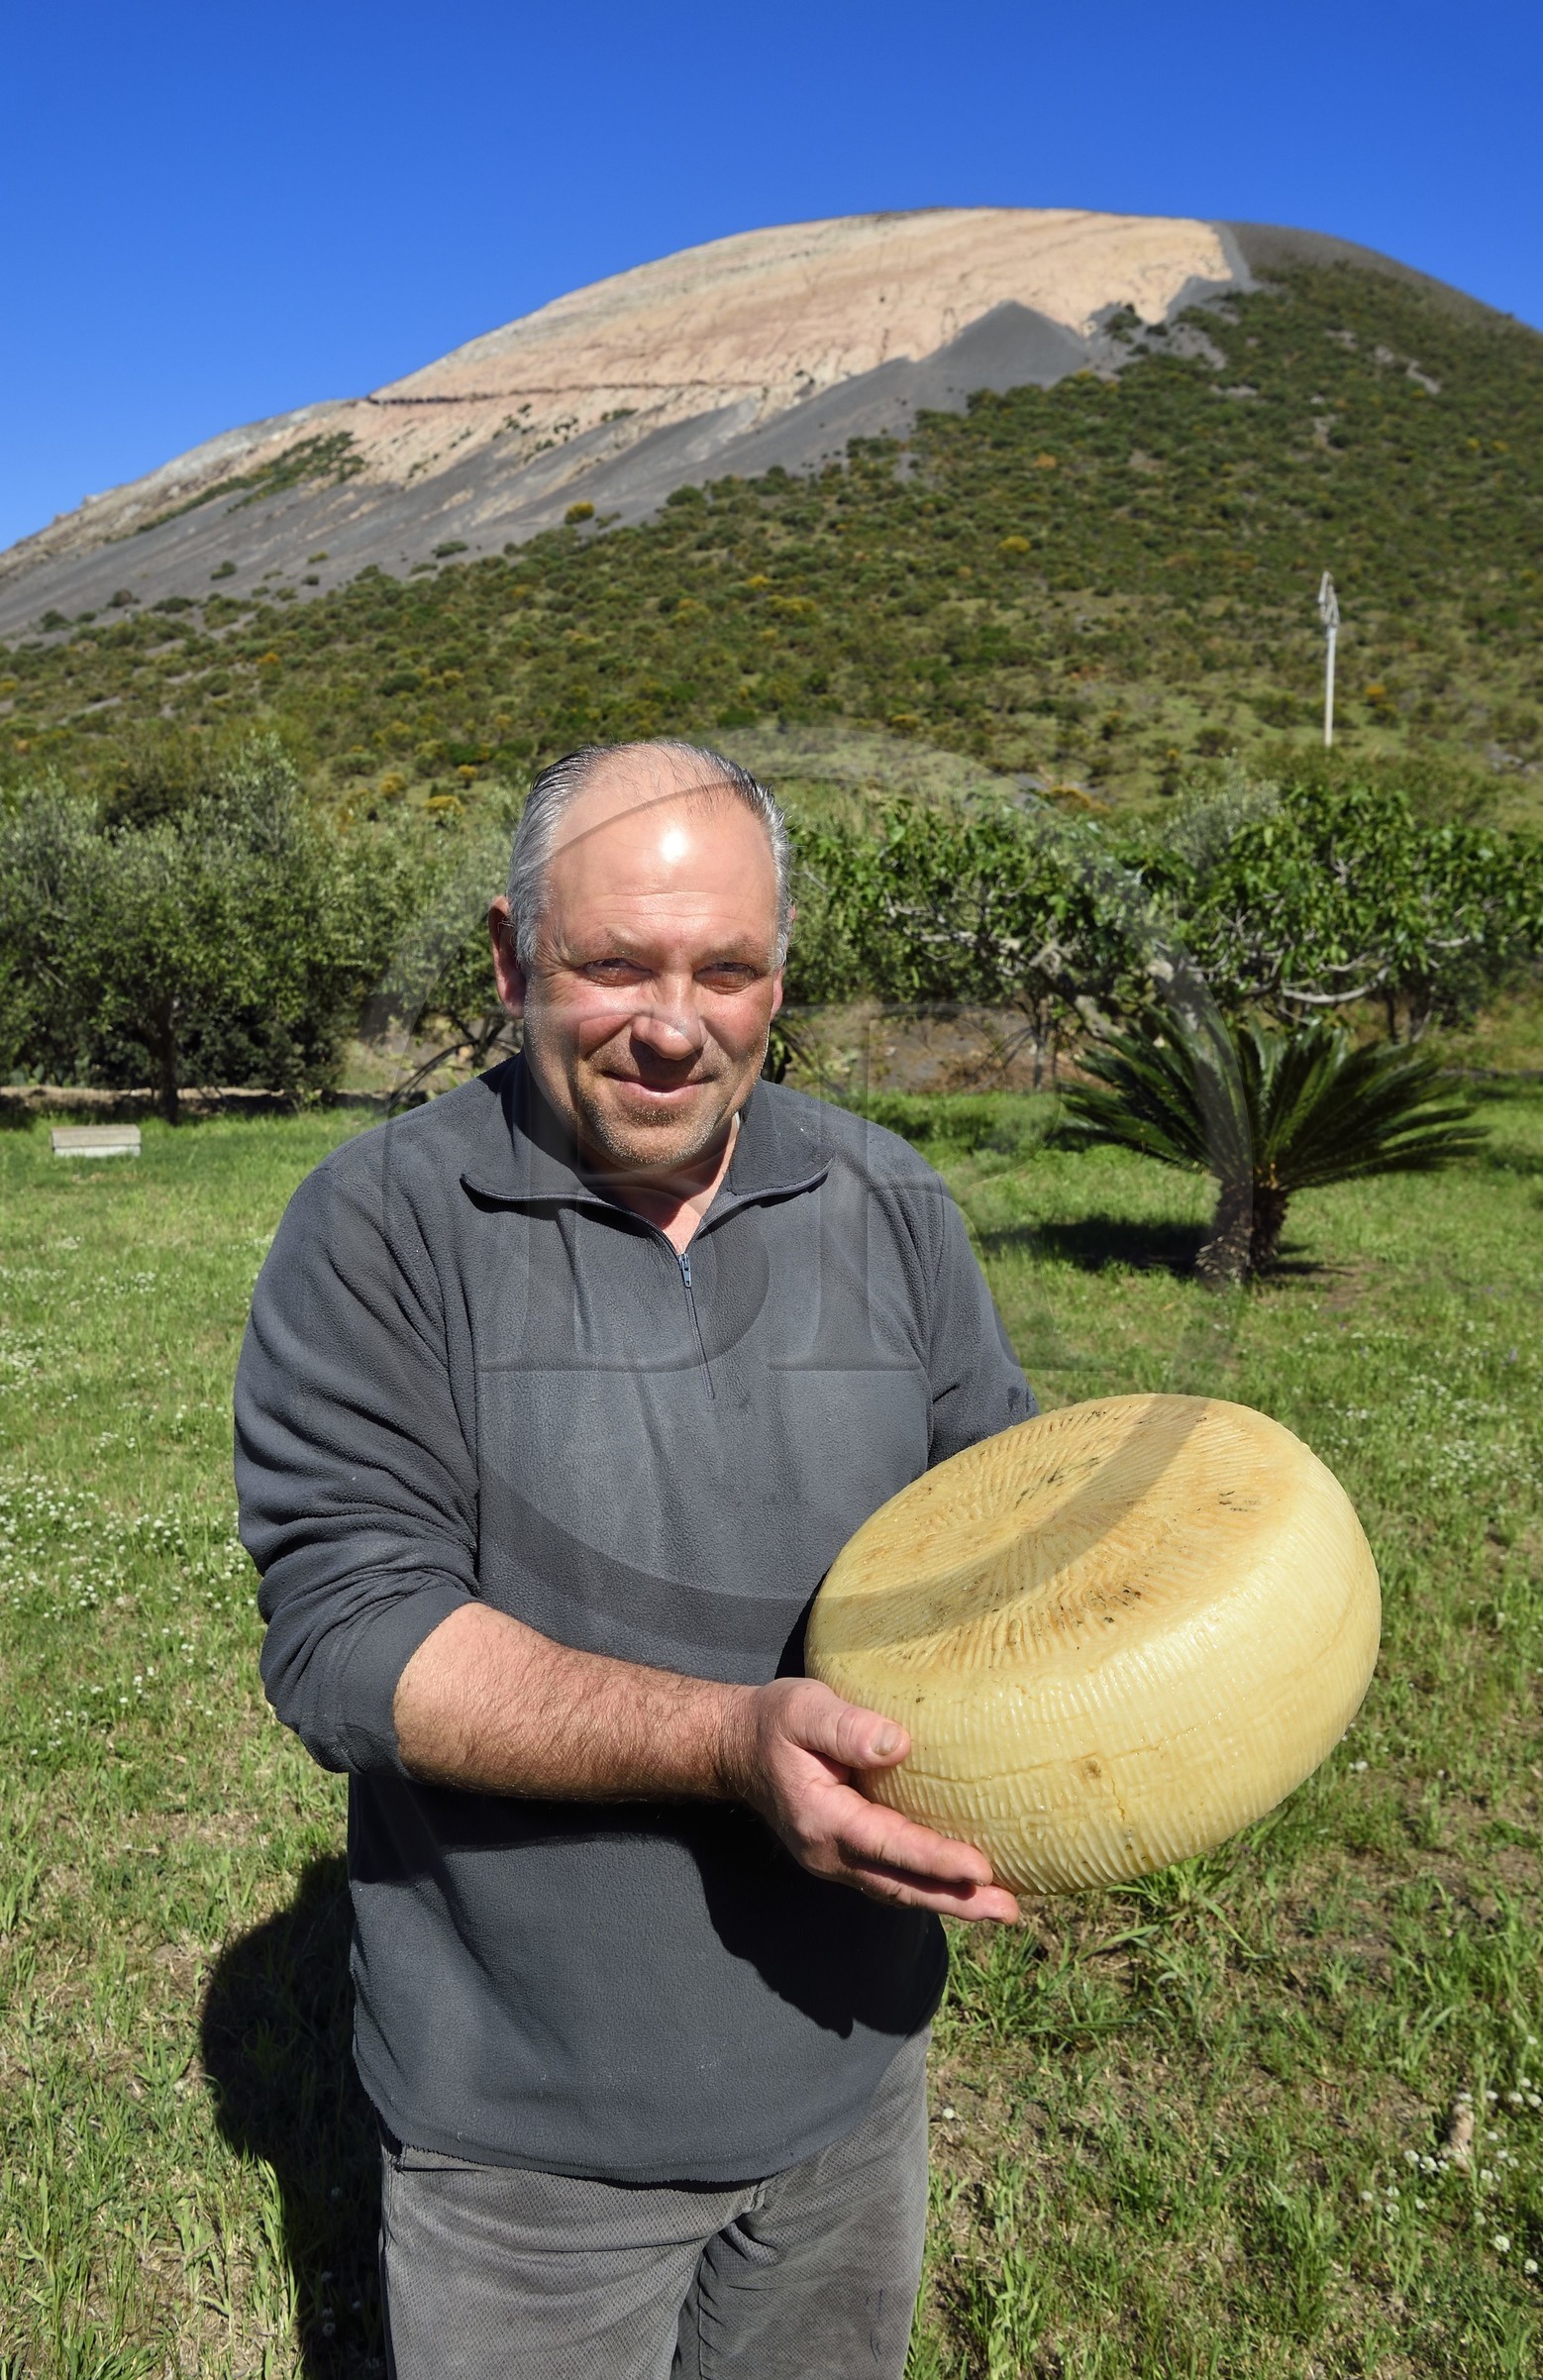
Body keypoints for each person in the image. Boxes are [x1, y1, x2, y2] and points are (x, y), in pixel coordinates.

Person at [236, 739, 1035, 2379]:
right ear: (512, 958)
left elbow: (998, 1521)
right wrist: (729, 1743)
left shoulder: (887, 1201)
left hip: (851, 2077)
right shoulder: (379, 1228)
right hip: (521, 2153)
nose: (675, 1025)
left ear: (778, 976)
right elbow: (349, 1635)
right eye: (613, 965)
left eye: (727, 970)